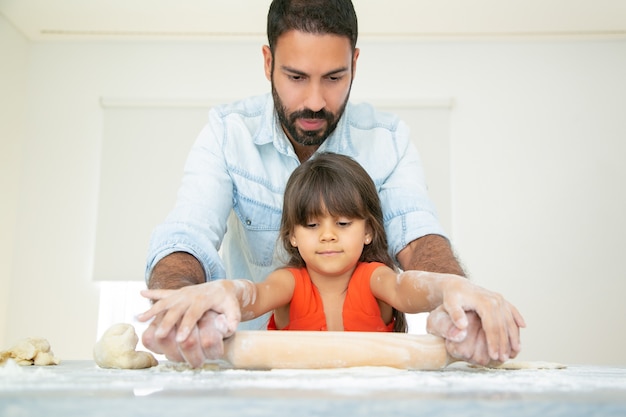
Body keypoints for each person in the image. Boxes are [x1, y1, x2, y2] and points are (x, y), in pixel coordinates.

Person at [141, 0, 524, 367]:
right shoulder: (227, 134)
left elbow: (419, 237)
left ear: (354, 64)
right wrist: (186, 304)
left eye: (334, 78)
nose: (315, 101)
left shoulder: (387, 140)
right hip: (261, 374)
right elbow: (188, 233)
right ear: (268, 61)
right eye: (296, 77)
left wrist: (454, 293)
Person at [139, 153, 525, 368]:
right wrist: (223, 290)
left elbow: (410, 289)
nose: (327, 235)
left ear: (369, 231)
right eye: (310, 224)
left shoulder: (376, 279)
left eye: (343, 222)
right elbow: (252, 295)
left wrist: (451, 285)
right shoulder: (290, 284)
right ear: (291, 234)